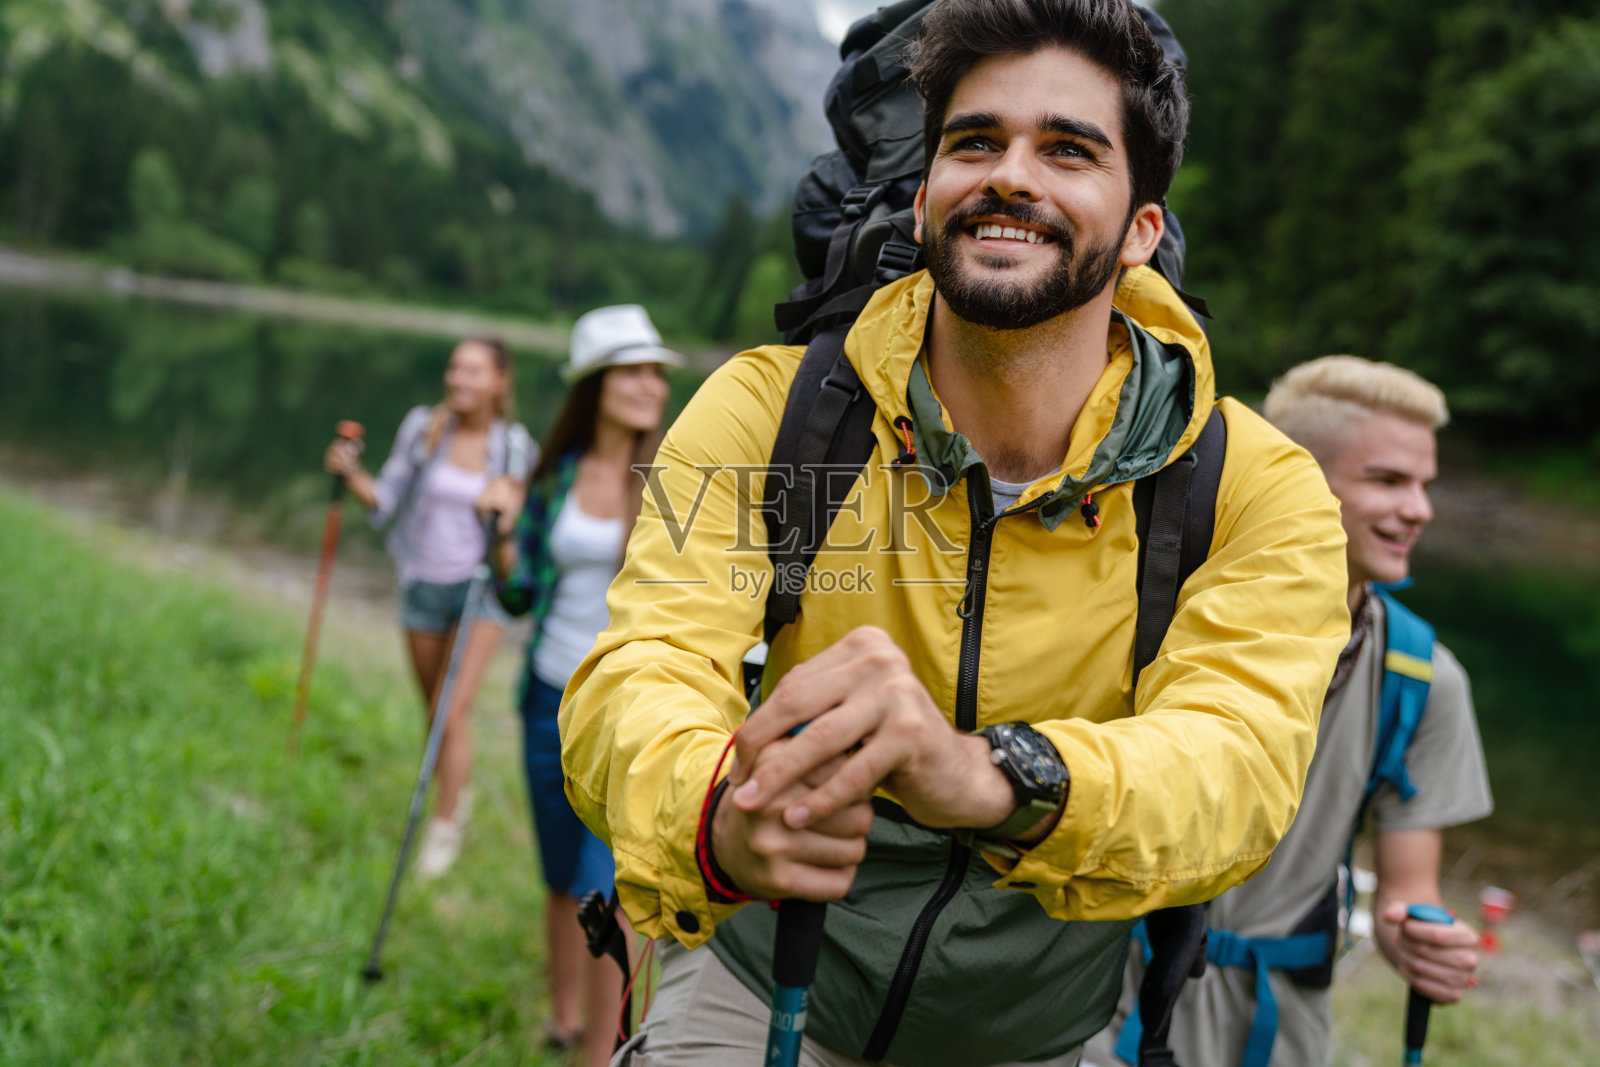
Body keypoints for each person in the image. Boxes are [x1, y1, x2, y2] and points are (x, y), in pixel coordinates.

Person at [561, 2, 1351, 1065]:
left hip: (1037, 1032)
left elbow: (1237, 764)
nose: (1011, 176)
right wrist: (721, 816)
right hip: (757, 985)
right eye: (974, 141)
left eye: (1069, 150)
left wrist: (996, 775)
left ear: (1141, 229)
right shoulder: (768, 410)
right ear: (926, 188)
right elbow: (640, 666)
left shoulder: (1255, 487)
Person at [1086, 356, 1493, 1067]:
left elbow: (1406, 896)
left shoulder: (1426, 677)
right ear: (1296, 478)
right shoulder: (1160, 610)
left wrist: (1423, 944)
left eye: (1424, 485)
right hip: (1105, 999)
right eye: (1388, 480)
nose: (1420, 509)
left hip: (1280, 1034)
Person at [480, 304, 681, 1067]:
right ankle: (561, 1017)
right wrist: (498, 531)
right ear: (595, 385)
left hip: (631, 715)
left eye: (657, 371)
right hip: (545, 696)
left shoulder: (675, 476)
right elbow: (519, 594)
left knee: (616, 891)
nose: (650, 384)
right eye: (633, 370)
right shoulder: (555, 476)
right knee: (561, 876)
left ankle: (607, 1054)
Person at [324, 337, 534, 879]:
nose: (458, 379)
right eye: (454, 368)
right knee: (433, 713)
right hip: (421, 583)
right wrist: (351, 475)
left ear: (499, 382)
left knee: (451, 710)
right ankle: (451, 793)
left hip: (479, 591)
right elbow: (387, 498)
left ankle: (444, 827)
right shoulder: (424, 428)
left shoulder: (514, 448)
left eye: (473, 370)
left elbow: (520, 532)